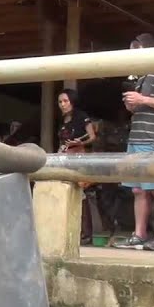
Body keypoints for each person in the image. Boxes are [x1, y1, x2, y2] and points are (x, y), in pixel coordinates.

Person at [112, 33, 154, 252]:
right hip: (136, 138)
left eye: (136, 51)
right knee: (137, 189)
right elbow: (142, 105)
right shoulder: (139, 79)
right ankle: (139, 234)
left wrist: (142, 100)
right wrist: (132, 106)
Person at [57, 89, 98, 244]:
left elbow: (92, 136)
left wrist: (80, 142)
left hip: (79, 156)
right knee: (67, 192)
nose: (62, 104)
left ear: (72, 101)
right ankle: (70, 230)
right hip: (64, 157)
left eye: (66, 101)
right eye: (60, 102)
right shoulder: (62, 120)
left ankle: (86, 234)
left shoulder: (81, 116)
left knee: (81, 193)